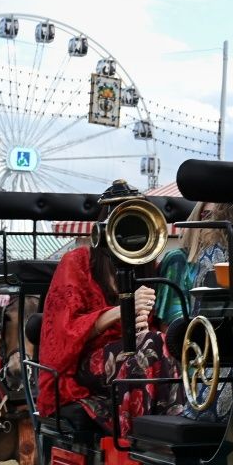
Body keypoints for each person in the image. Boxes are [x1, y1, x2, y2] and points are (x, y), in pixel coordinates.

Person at [36, 183, 177, 436]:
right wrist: (123, 310)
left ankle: (165, 432)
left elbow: (154, 329)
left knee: (166, 344)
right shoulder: (77, 262)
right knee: (153, 346)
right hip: (82, 364)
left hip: (137, 355)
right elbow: (62, 335)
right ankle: (135, 438)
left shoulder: (147, 265)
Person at [157, 201, 233, 325]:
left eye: (223, 217)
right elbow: (172, 326)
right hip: (195, 338)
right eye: (208, 215)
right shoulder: (178, 259)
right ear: (197, 217)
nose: (216, 223)